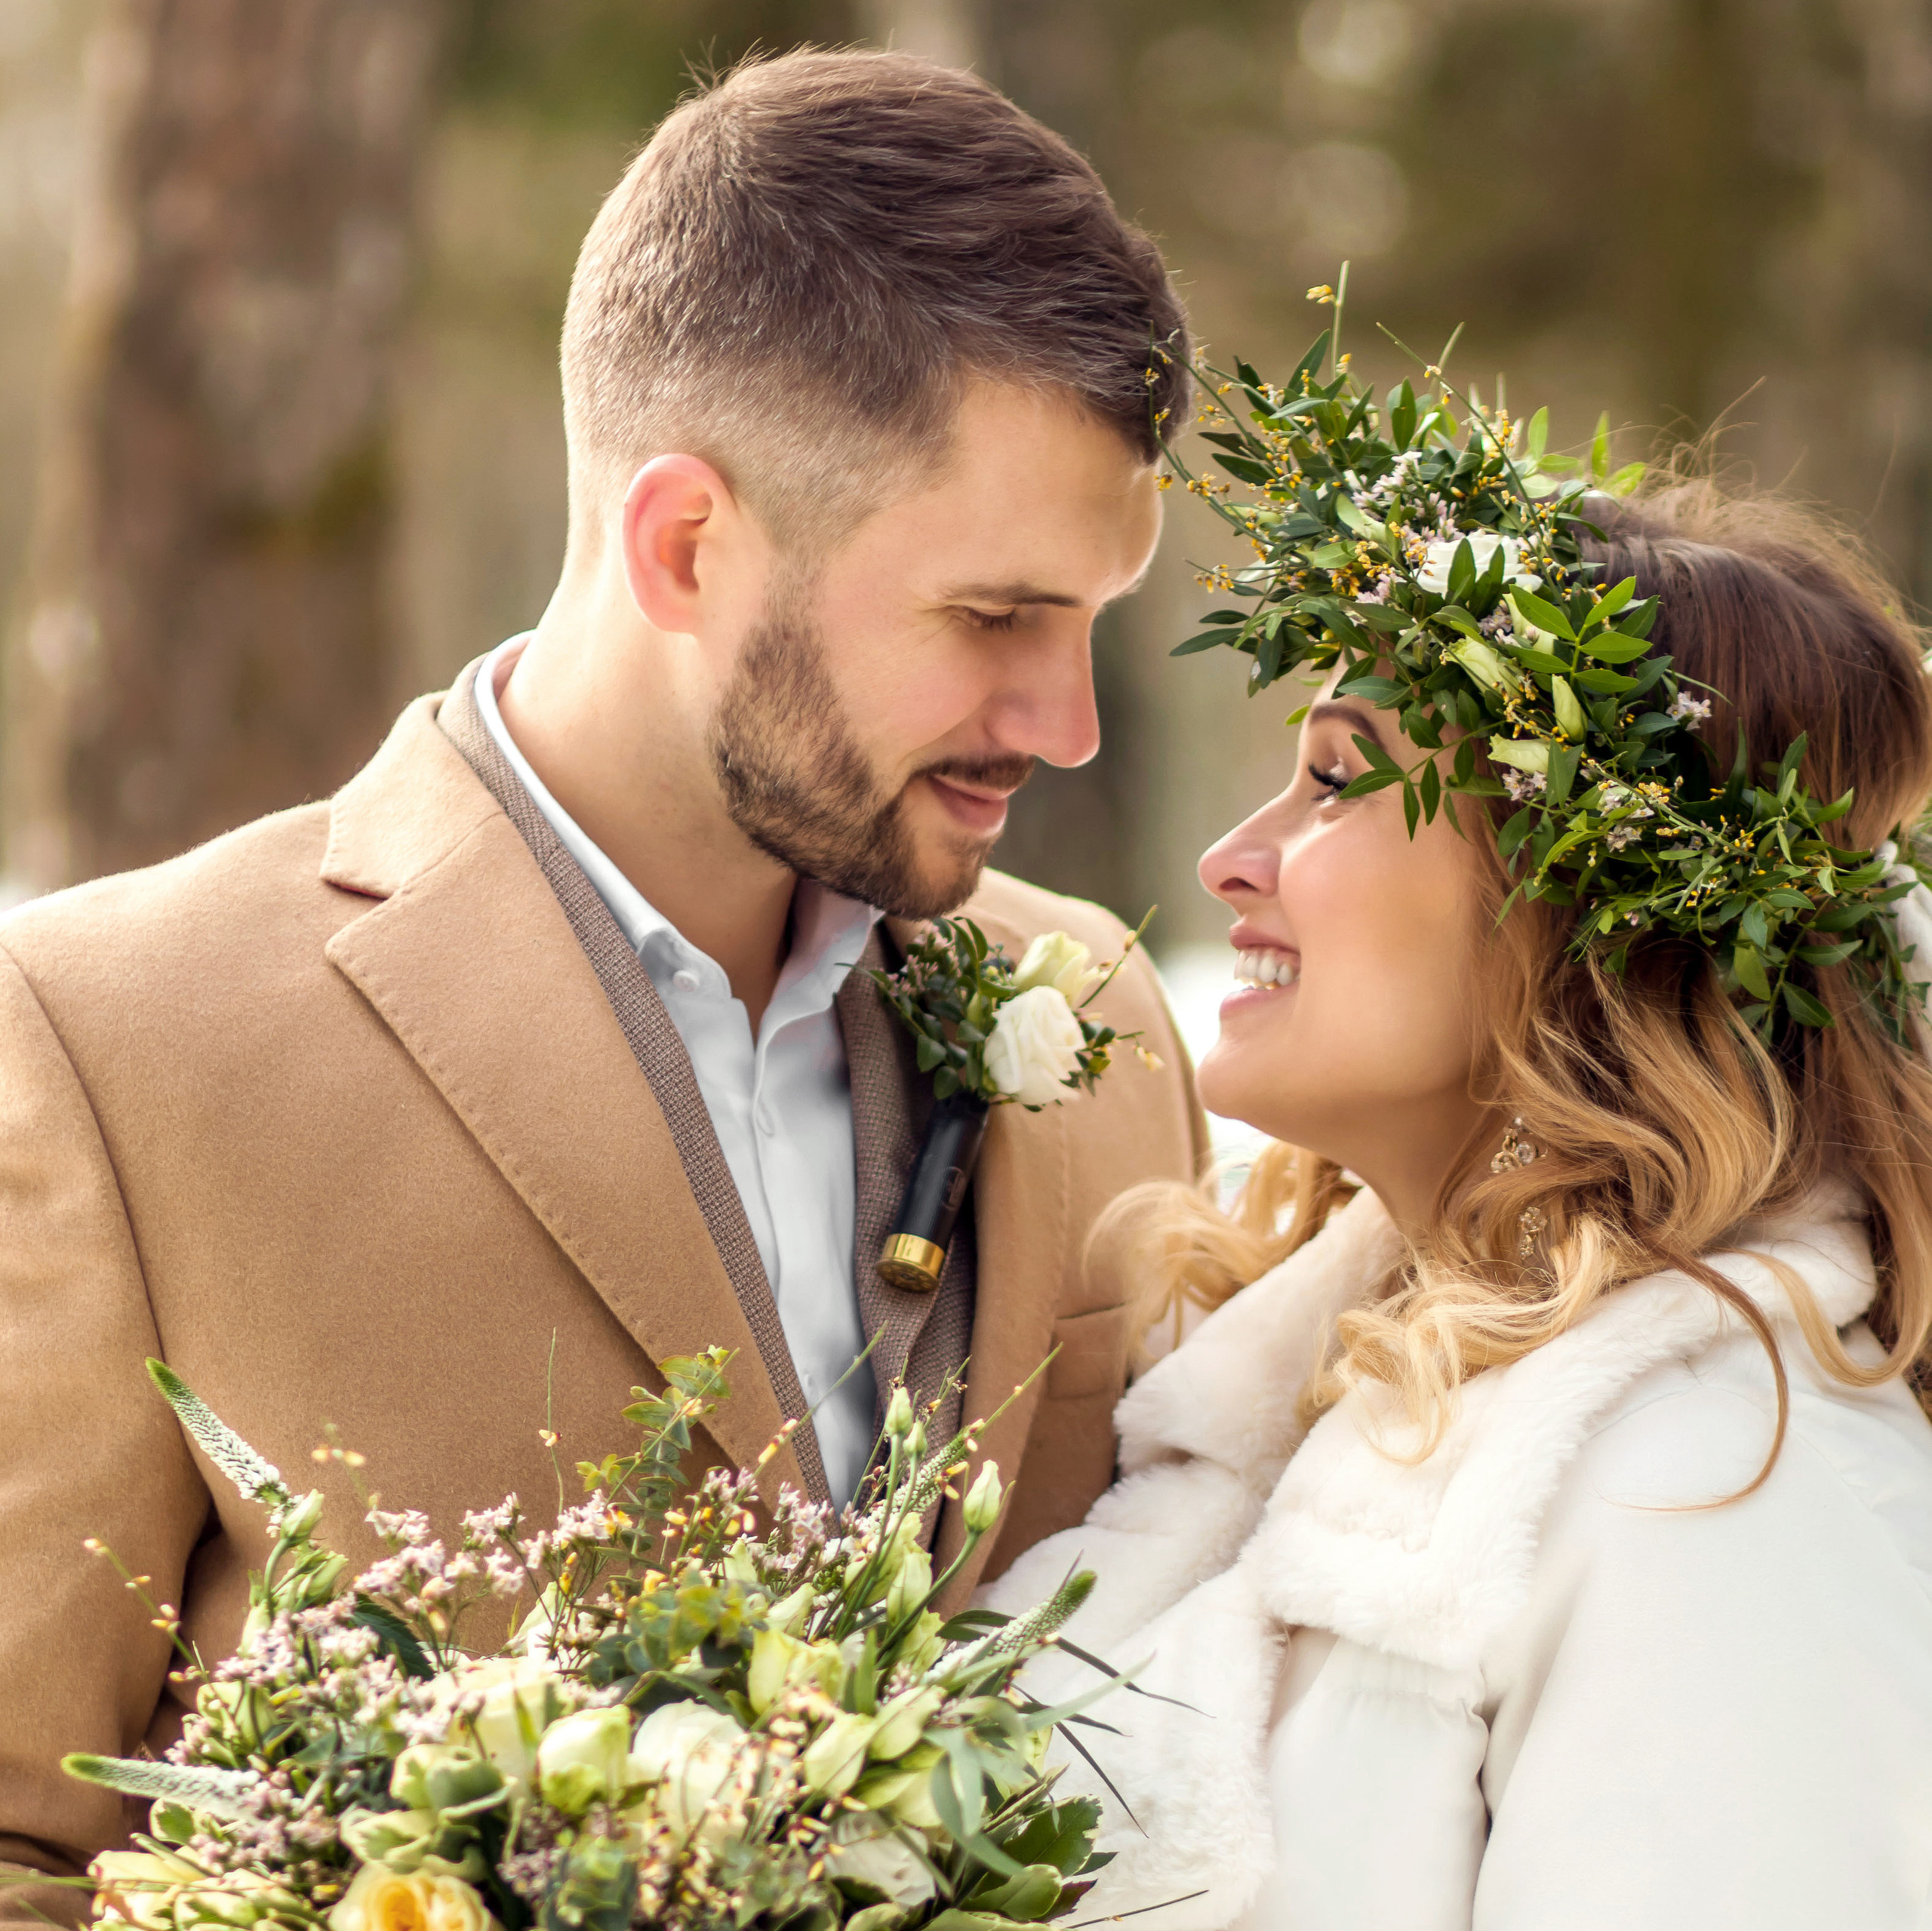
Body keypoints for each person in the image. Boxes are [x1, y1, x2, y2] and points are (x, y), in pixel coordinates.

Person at [0, 49, 1207, 1920]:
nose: (1063, 722)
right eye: (992, 619)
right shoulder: (104, 1039)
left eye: (1088, 623)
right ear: (684, 542)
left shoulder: (1109, 1016)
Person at [987, 481, 1932, 1928]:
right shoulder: (1268, 1386)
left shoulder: (1724, 1489)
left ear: (1578, 902)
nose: (1230, 858)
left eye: (1338, 781)